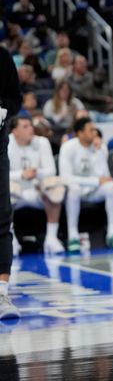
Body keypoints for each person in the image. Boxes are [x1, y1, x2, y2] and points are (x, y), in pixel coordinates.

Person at [59, 117, 113, 252]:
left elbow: (104, 176)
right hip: (76, 191)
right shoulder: (68, 147)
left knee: (111, 186)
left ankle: (112, 234)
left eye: (95, 129)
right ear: (80, 133)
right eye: (91, 130)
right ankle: (73, 236)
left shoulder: (100, 147)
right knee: (74, 189)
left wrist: (98, 153)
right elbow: (65, 178)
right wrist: (94, 181)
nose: (95, 132)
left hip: (94, 190)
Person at [8, 116, 66, 254]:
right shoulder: (5, 143)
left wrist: (36, 173)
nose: (31, 129)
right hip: (15, 193)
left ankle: (51, 238)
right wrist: (22, 175)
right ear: (15, 131)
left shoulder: (42, 142)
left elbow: (51, 170)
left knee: (55, 187)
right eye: (25, 126)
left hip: (37, 190)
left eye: (30, 125)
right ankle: (10, 239)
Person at [0, 45, 22, 319]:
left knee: (2, 214)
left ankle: (2, 293)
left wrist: (3, 109)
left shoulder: (2, 57)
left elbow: (15, 97)